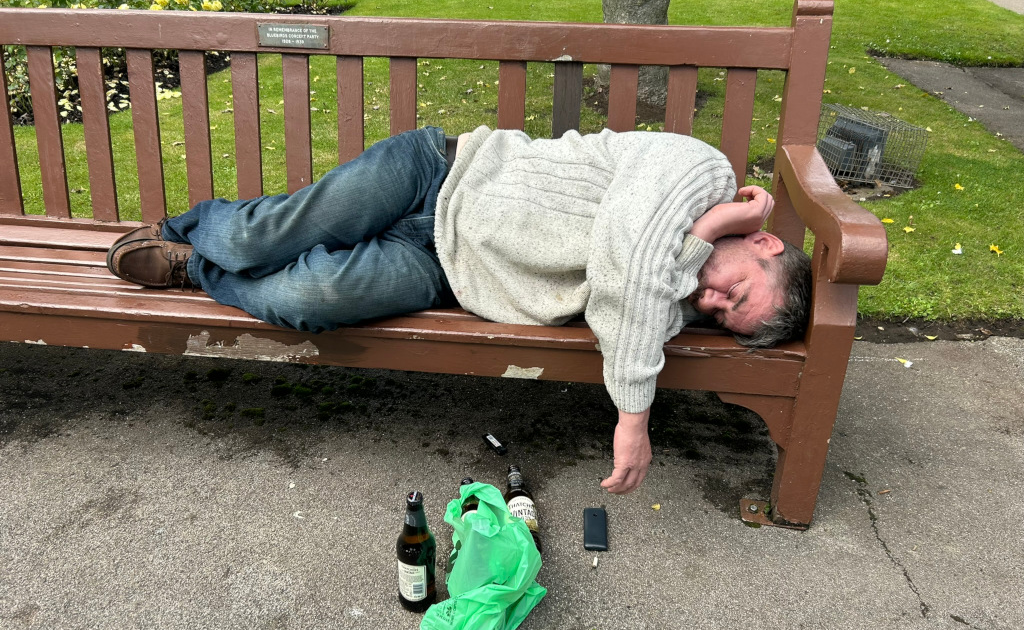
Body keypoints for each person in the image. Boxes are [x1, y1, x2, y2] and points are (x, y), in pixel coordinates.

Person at [107, 125, 812, 495]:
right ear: (766, 240)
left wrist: (698, 242)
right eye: (737, 291)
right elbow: (625, 259)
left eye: (722, 318)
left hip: (447, 271)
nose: (710, 304)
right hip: (437, 174)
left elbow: (617, 292)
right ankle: (193, 227)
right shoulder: (699, 170)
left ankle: (195, 269)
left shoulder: (681, 275)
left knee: (304, 299)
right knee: (264, 237)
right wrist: (634, 421)